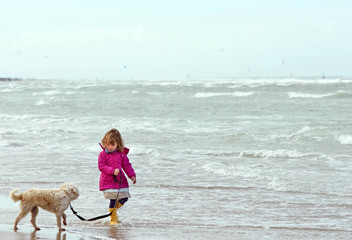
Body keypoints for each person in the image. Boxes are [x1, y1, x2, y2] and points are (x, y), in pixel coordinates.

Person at [98, 128, 136, 225]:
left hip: (120, 181)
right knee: (113, 200)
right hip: (108, 181)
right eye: (107, 144)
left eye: (112, 144)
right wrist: (112, 171)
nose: (110, 147)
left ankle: (113, 211)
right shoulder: (102, 154)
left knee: (124, 198)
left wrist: (132, 176)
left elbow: (127, 165)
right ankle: (113, 219)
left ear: (118, 144)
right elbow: (101, 166)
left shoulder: (121, 154)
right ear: (104, 143)